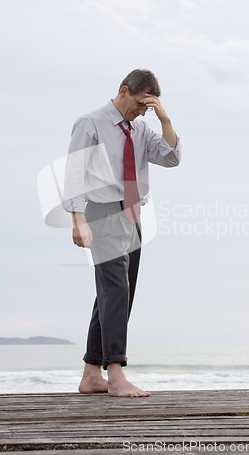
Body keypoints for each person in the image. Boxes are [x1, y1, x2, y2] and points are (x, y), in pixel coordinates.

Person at [62, 69, 181, 397]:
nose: (142, 112)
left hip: (132, 214)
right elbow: (73, 173)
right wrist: (77, 219)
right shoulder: (91, 123)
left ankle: (91, 373)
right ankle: (115, 373)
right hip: (101, 213)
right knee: (116, 290)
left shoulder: (141, 130)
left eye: (148, 107)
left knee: (113, 295)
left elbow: (171, 158)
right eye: (140, 104)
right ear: (124, 90)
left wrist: (165, 121)